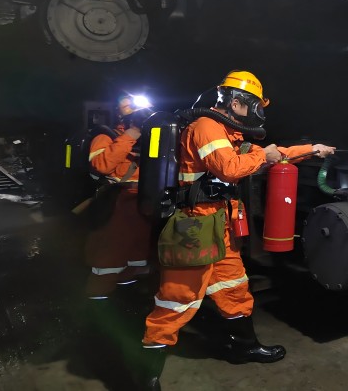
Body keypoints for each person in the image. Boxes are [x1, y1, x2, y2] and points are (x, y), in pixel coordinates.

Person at [136, 70, 335, 390]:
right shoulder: (207, 127)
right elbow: (229, 168)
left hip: (219, 224)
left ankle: (244, 347)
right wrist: (264, 155)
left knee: (233, 287)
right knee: (177, 299)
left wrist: (311, 149)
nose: (257, 111)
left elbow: (268, 155)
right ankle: (145, 373)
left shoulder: (229, 133)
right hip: (194, 226)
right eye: (255, 104)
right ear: (237, 102)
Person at [84, 94, 154, 300]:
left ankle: (129, 284)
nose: (134, 109)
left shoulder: (151, 138)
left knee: (138, 247)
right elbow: (101, 166)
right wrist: (132, 132)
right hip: (117, 201)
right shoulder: (106, 135)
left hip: (142, 201)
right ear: (118, 112)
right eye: (128, 105)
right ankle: (98, 294)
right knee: (111, 249)